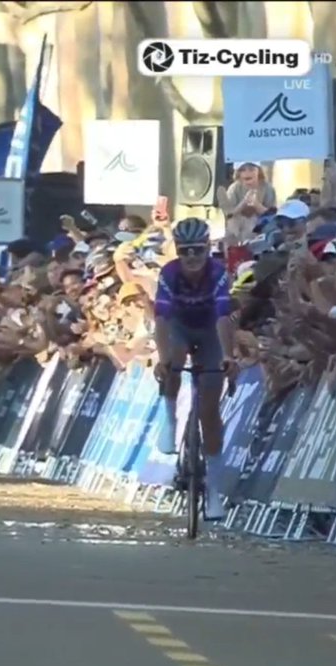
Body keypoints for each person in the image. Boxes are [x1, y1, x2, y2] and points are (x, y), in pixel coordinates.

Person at [152, 217, 239, 521]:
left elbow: (223, 317)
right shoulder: (169, 273)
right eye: (184, 250)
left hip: (211, 331)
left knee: (209, 412)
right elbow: (161, 320)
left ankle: (214, 491)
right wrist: (163, 361)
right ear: (177, 249)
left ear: (207, 248)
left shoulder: (217, 273)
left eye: (197, 251)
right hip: (179, 328)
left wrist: (229, 356)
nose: (190, 257)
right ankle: (170, 416)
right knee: (173, 356)